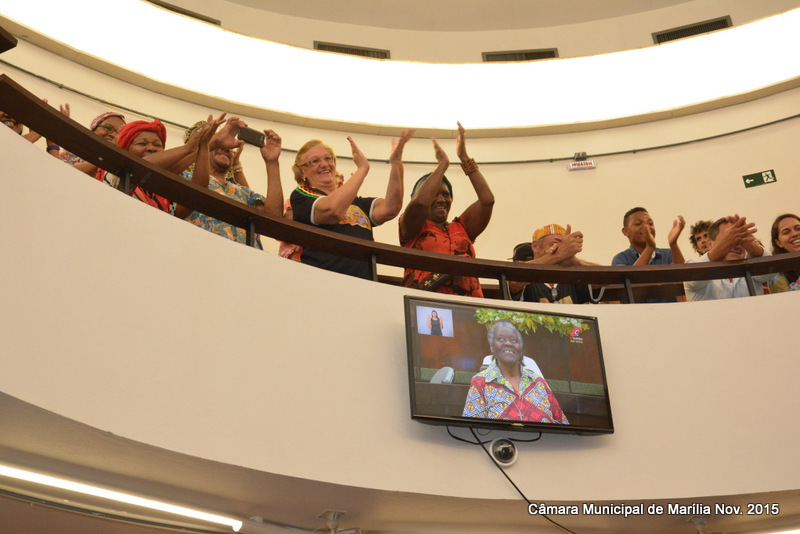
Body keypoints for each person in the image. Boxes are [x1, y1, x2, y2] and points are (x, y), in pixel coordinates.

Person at [289, 131, 411, 279]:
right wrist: (362, 168)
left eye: (328, 158)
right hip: (322, 281)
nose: (324, 164)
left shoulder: (356, 203)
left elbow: (390, 208)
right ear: (302, 172)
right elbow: (333, 211)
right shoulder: (301, 195)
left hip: (362, 284)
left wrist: (396, 164)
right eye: (314, 161)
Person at [399, 123, 494, 297]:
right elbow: (420, 205)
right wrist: (442, 165)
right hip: (427, 303)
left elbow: (487, 200)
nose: (441, 200)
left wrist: (464, 158)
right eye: (434, 194)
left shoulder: (462, 227)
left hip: (469, 305)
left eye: (445, 194)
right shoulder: (410, 226)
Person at [178, 118, 283, 248]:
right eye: (220, 145)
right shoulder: (186, 177)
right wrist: (205, 145)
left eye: (230, 148)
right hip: (200, 251)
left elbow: (274, 220)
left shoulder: (244, 192)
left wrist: (272, 163)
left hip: (245, 258)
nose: (226, 149)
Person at [462, 320, 568, 424]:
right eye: (501, 339)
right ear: (492, 347)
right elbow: (471, 427)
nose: (508, 343)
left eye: (514, 340)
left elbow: (563, 424)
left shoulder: (538, 382)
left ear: (520, 348)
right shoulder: (480, 382)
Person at [683, 215, 773, 301]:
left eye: (739, 240)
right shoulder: (693, 264)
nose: (735, 245)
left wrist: (748, 243)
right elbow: (694, 277)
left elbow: (771, 270)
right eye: (728, 239)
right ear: (710, 244)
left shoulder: (750, 265)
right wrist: (726, 245)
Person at [612, 207, 686, 302]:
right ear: (625, 231)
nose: (647, 227)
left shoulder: (668, 254)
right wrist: (650, 248)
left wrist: (674, 244)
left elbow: (683, 277)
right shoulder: (621, 258)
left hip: (669, 310)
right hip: (636, 311)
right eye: (638, 224)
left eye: (650, 223)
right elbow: (630, 285)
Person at [519, 224, 600, 304]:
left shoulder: (572, 276)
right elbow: (514, 283)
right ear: (535, 246)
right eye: (553, 244)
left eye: (563, 246)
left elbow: (603, 280)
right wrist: (558, 255)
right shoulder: (525, 279)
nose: (559, 249)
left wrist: (576, 262)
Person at [766, 213, 800, 293]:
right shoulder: (775, 273)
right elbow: (788, 299)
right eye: (786, 232)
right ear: (778, 243)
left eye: (798, 228)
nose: (795, 234)